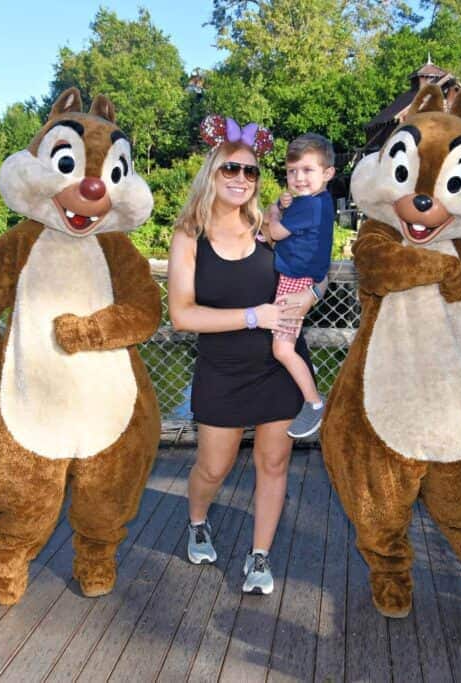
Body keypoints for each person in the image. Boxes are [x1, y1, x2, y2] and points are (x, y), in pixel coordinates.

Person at [167, 115, 321, 595]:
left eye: (250, 171)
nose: (240, 178)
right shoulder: (188, 237)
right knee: (213, 467)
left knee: (273, 464)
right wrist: (253, 315)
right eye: (230, 169)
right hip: (222, 370)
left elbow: (312, 270)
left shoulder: (269, 228)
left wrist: (310, 297)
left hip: (279, 365)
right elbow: (182, 316)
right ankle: (197, 520)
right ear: (211, 175)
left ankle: (259, 557)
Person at [265, 134, 335, 438]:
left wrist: (272, 213)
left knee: (282, 347)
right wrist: (286, 203)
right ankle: (305, 379)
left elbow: (277, 233)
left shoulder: (308, 207)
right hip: (302, 276)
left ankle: (314, 402)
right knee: (284, 342)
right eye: (292, 171)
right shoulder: (319, 200)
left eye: (307, 170)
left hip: (295, 280)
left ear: (328, 173)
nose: (298, 178)